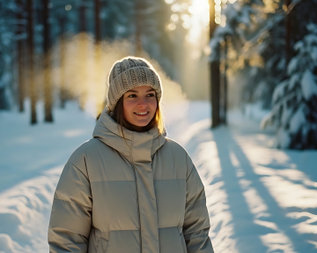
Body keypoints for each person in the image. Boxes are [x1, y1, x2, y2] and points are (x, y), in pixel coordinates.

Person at [48, 56, 213, 253]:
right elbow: (67, 240)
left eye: (150, 95)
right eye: (132, 96)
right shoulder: (86, 161)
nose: (143, 104)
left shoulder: (178, 158)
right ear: (117, 102)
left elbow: (197, 233)